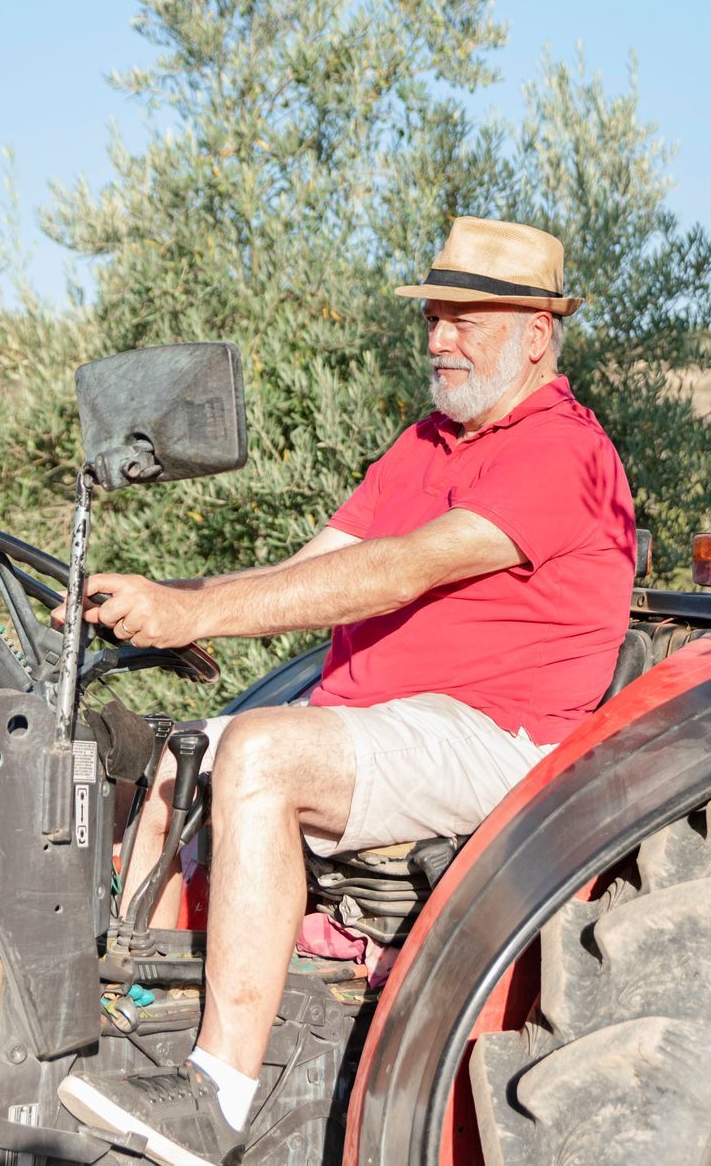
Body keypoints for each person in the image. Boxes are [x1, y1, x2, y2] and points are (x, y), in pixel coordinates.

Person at [58, 217, 637, 1166]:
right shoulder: (426, 444)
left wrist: (192, 615)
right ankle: (142, 1026)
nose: (439, 339)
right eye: (435, 318)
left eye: (465, 320)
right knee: (171, 756)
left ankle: (219, 1097)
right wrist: (160, 601)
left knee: (259, 754)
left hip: (503, 742)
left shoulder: (561, 452)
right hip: (380, 718)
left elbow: (396, 572)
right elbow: (316, 566)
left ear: (537, 334)